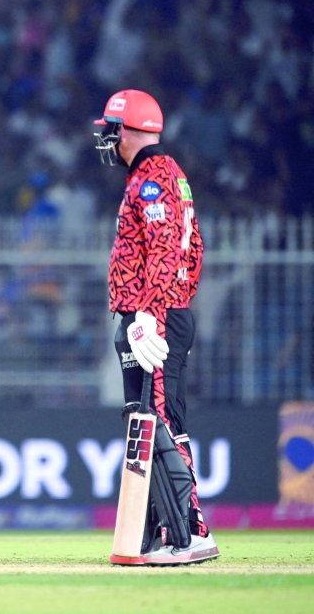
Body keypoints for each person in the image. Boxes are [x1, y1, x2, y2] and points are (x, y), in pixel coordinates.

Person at [94, 89, 219, 565]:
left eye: (110, 129)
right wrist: (172, 303)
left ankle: (186, 533)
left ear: (126, 130)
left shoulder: (150, 178)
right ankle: (165, 529)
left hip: (153, 315)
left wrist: (148, 312)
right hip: (165, 310)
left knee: (155, 420)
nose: (106, 138)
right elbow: (195, 248)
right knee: (161, 421)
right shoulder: (172, 176)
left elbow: (167, 248)